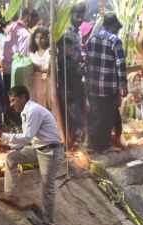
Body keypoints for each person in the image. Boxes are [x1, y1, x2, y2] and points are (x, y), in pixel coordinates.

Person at [0, 85, 64, 225]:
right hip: (38, 149)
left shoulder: (34, 110)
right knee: (11, 158)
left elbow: (27, 136)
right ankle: (11, 195)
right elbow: (28, 140)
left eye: (13, 100)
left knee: (47, 188)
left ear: (23, 97)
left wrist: (3, 136)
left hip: (50, 151)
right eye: (10, 101)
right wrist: (9, 147)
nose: (11, 104)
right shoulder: (26, 112)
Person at [84, 13, 127, 152]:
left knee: (96, 115)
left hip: (93, 86)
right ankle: (104, 146)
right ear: (112, 26)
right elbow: (120, 65)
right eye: (116, 28)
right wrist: (123, 86)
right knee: (107, 117)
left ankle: (92, 145)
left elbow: (86, 62)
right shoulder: (115, 41)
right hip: (109, 87)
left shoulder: (91, 40)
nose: (117, 31)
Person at [56, 4, 85, 147]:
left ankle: (76, 138)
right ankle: (73, 139)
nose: (80, 19)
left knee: (78, 109)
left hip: (76, 77)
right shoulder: (67, 32)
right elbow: (65, 58)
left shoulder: (78, 32)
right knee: (72, 112)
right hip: (68, 80)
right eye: (77, 16)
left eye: (82, 16)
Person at [29, 27, 51, 109]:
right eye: (37, 37)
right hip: (35, 84)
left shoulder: (49, 51)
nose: (39, 40)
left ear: (46, 38)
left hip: (46, 84)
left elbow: (49, 68)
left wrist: (39, 68)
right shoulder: (32, 53)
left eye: (42, 38)